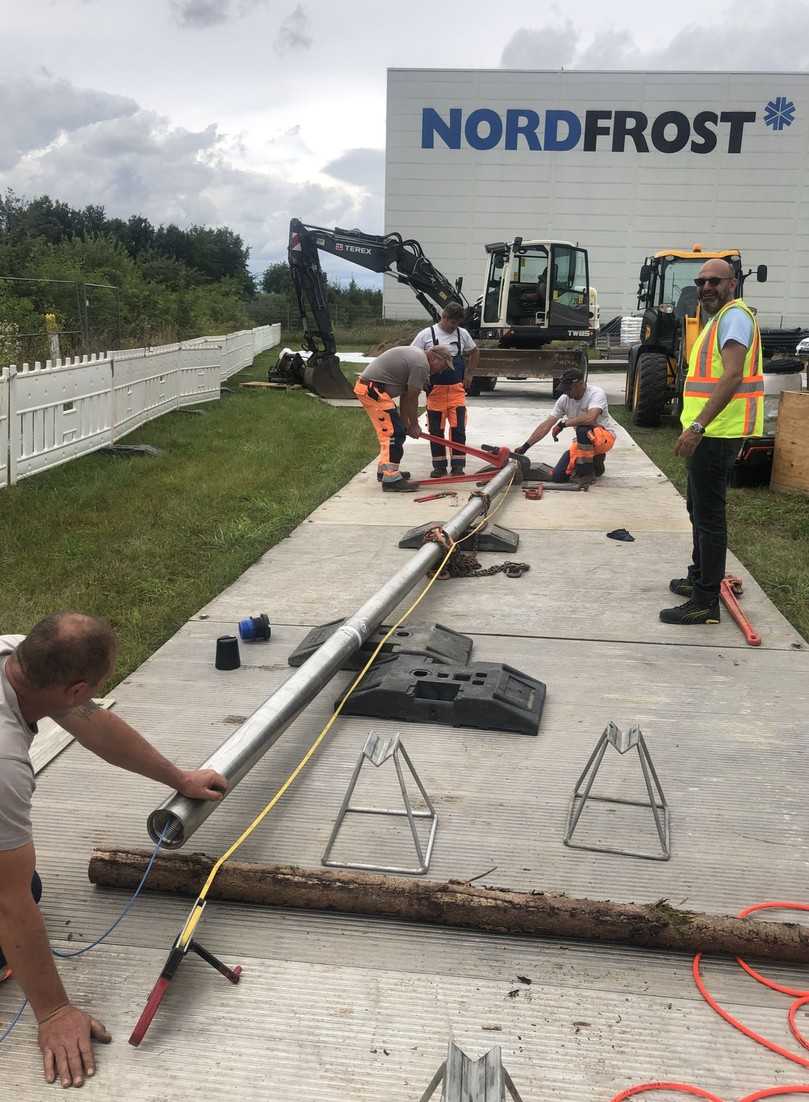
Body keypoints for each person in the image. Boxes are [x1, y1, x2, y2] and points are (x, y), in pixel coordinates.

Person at [0, 613, 227, 1088]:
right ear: (78, 687)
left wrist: (179, 779)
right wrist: (54, 1012)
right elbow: (9, 902)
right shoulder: (3, 764)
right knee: (17, 892)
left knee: (28, 882)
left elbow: (93, 723)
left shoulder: (16, 656)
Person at [659, 258, 763, 626]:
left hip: (716, 434)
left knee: (709, 518)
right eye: (701, 281)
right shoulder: (718, 319)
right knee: (698, 512)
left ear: (731, 284)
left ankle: (705, 601)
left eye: (714, 281)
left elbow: (733, 375)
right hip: (712, 433)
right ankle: (699, 579)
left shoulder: (734, 318)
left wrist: (698, 427)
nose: (706, 287)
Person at [354, 343, 453, 492]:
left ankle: (384, 471)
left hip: (374, 390)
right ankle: (391, 479)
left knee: (394, 430)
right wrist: (413, 425)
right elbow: (413, 398)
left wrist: (405, 421)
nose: (442, 371)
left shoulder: (418, 358)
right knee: (393, 433)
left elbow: (406, 396)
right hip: (373, 391)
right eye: (443, 366)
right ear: (434, 358)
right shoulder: (421, 365)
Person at [513, 367, 618, 484]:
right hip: (583, 443)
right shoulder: (564, 400)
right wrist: (525, 447)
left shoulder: (596, 394)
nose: (566, 392)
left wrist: (563, 424)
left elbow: (590, 418)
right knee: (558, 477)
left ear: (581, 384)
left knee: (584, 429)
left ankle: (587, 474)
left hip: (604, 439)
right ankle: (595, 464)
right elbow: (546, 425)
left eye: (569, 388)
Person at [410, 302, 480, 477]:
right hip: (435, 392)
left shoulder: (462, 334)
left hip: (456, 390)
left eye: (457, 324)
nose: (454, 327)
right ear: (444, 317)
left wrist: (469, 374)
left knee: (458, 429)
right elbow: (414, 356)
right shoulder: (426, 335)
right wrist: (423, 377)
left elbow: (474, 352)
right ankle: (439, 466)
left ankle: (458, 466)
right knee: (436, 430)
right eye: (452, 323)